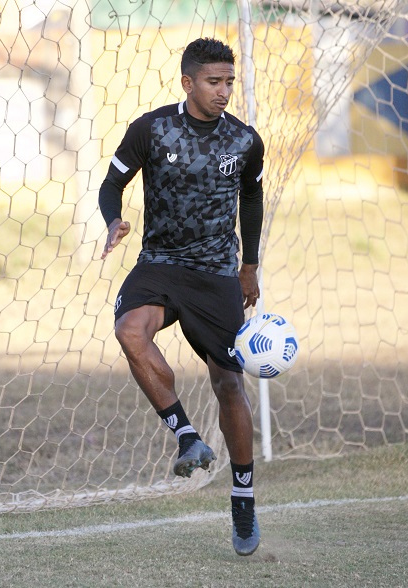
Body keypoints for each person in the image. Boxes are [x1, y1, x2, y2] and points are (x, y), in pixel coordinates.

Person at [98, 37, 265, 557]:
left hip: (216, 272)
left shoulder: (245, 141)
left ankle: (243, 495)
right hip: (162, 264)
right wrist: (113, 220)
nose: (223, 92)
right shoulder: (152, 129)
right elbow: (112, 184)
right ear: (188, 83)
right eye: (214, 83)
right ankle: (186, 436)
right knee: (130, 330)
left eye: (229, 83)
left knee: (228, 385)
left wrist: (250, 265)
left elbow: (253, 196)